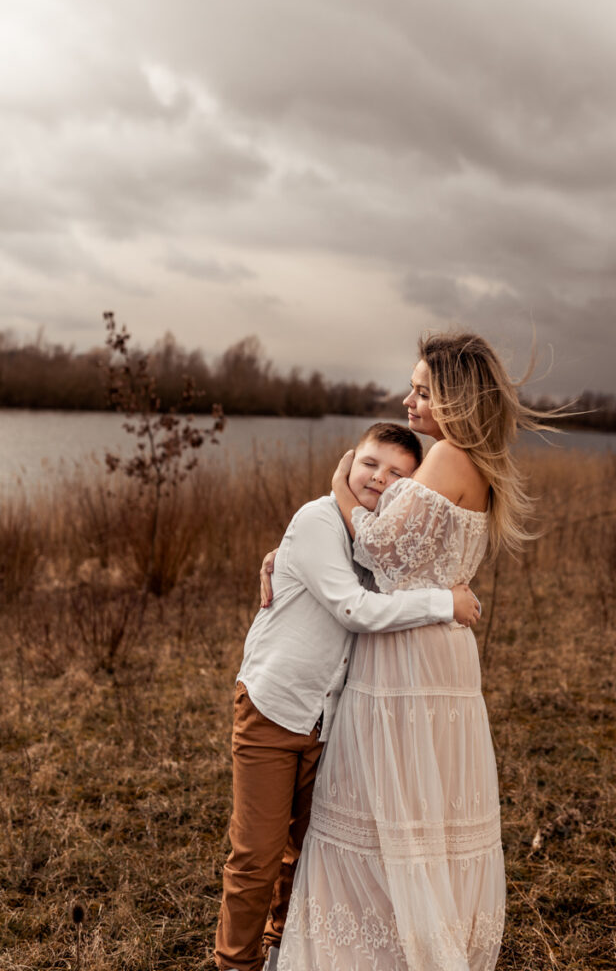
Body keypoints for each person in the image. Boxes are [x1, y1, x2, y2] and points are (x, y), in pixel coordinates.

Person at [278, 330, 549, 971]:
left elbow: (378, 550)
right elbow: (398, 559)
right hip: (437, 652)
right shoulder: (467, 461)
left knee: (388, 802)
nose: (408, 400)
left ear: (455, 399)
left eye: (423, 390)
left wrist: (341, 484)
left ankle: (388, 951)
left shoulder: (450, 457)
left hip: (408, 660)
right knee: (418, 803)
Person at [214, 422, 483, 971]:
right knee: (256, 856)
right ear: (349, 462)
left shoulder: (376, 539)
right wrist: (444, 603)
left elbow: (385, 575)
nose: (379, 478)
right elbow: (354, 610)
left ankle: (278, 952)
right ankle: (232, 963)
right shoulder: (315, 520)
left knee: (307, 852)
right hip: (275, 707)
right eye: (370, 464)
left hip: (330, 719)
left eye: (396, 474)